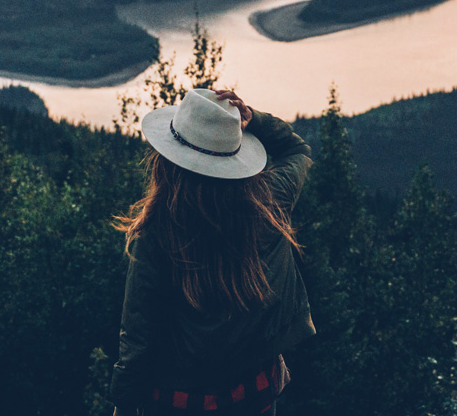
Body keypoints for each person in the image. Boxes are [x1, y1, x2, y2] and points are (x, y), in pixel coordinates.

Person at [109, 86, 315, 415]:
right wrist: (255, 120)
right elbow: (297, 150)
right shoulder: (267, 201)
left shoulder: (156, 233)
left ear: (168, 161)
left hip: (181, 401)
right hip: (253, 393)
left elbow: (138, 335)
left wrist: (124, 403)